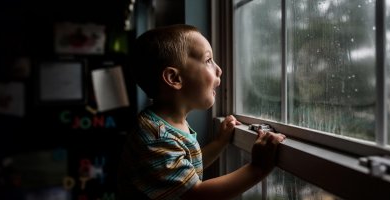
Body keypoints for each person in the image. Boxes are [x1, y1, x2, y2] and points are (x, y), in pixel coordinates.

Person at [117, 24, 286, 200]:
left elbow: (187, 171)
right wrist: (257, 168)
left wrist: (220, 143)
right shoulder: (156, 138)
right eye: (208, 60)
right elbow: (195, 194)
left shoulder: (166, 124)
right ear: (175, 78)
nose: (219, 69)